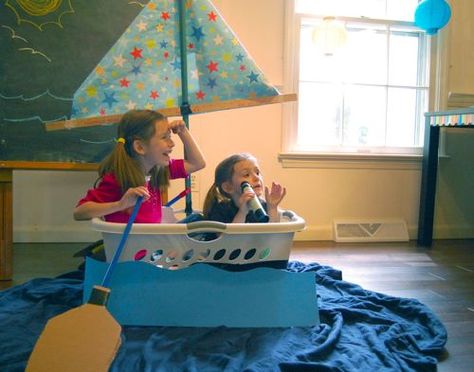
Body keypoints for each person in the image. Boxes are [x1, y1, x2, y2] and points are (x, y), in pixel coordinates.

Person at [73, 109, 205, 223]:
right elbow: (79, 212)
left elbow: (197, 163)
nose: (172, 143)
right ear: (140, 147)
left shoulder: (158, 170)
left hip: (152, 247)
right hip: (130, 250)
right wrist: (120, 204)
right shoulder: (117, 179)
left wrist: (183, 132)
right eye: (165, 137)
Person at [203, 153, 286, 223]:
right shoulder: (221, 210)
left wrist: (272, 207)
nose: (257, 178)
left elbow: (273, 237)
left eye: (257, 172)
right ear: (228, 187)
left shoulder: (264, 206)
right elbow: (228, 240)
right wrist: (242, 212)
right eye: (246, 175)